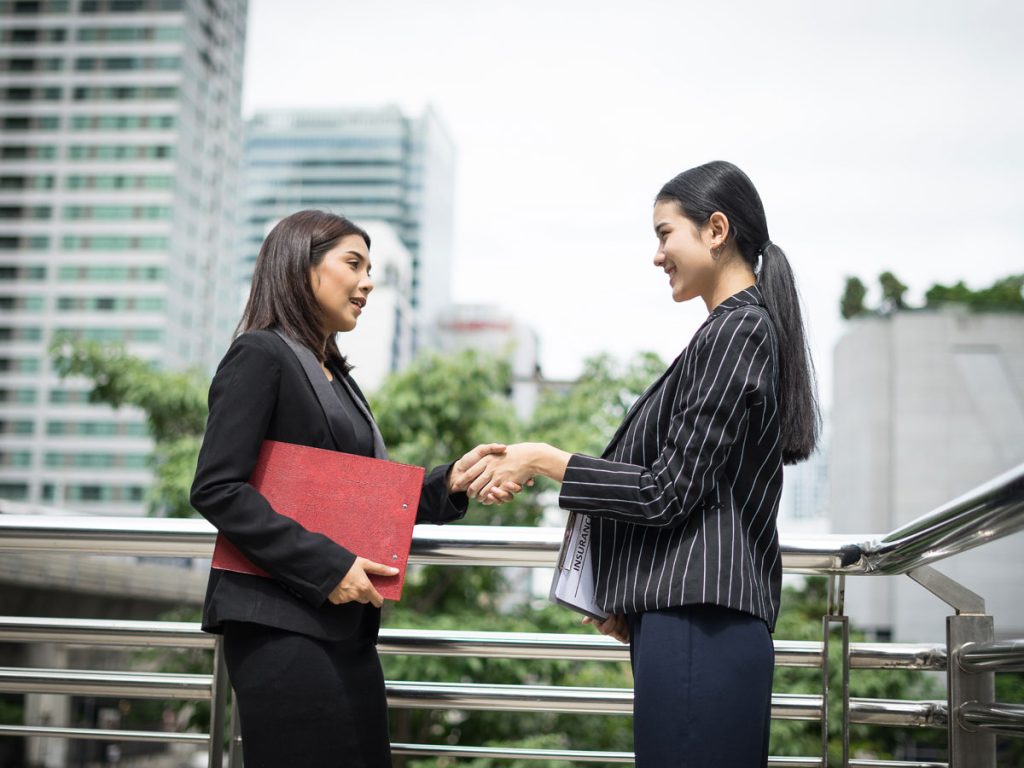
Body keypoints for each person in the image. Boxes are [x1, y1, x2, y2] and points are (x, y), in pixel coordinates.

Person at [466, 161, 820, 767]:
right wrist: (637, 594)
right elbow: (699, 494)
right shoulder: (734, 331)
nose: (658, 256)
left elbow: (666, 491)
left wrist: (544, 458)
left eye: (664, 234)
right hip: (690, 625)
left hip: (699, 630)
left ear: (715, 229)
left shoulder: (735, 331)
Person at [190, 210, 506, 768]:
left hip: (343, 625)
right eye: (353, 264)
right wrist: (327, 566)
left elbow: (357, 496)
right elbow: (217, 486)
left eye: (370, 267)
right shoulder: (261, 354)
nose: (368, 282)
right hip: (280, 623)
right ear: (299, 267)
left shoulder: (335, 373)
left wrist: (448, 482)